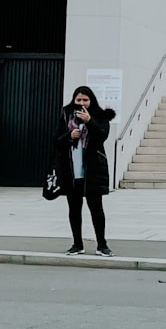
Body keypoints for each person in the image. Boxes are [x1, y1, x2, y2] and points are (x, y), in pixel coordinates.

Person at [55, 85, 117, 256]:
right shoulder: (67, 114)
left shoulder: (101, 115)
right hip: (72, 169)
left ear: (91, 101)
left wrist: (90, 121)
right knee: (74, 208)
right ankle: (77, 244)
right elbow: (56, 140)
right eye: (78, 99)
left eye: (85, 100)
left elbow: (102, 136)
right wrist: (69, 136)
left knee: (96, 207)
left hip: (93, 169)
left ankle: (102, 244)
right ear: (74, 100)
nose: (82, 103)